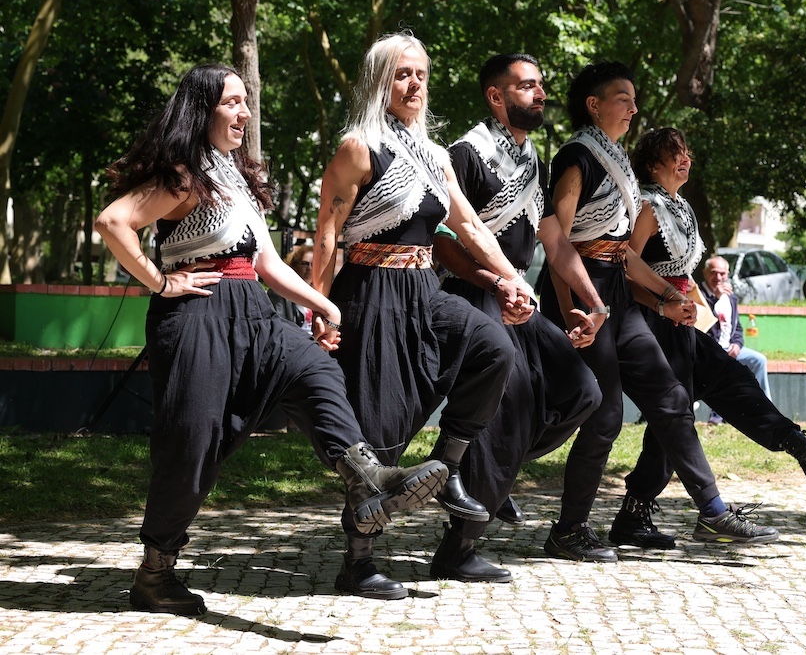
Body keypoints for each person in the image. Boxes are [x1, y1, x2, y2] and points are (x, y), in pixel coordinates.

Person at [94, 64, 448, 616]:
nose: (245, 113)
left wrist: (321, 303)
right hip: (196, 317)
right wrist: (161, 282)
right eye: (232, 103)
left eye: (245, 102)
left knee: (314, 367)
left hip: (253, 310)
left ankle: (367, 477)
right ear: (203, 110)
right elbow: (114, 222)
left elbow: (265, 261)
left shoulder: (234, 176)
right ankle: (155, 573)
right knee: (193, 446)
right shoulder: (184, 175)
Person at [314, 33, 533, 599]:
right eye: (402, 74)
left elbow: (469, 225)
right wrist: (321, 309)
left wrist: (512, 280)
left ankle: (447, 468)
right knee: (381, 425)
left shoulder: (435, 156)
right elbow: (328, 236)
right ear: (378, 82)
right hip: (371, 288)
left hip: (423, 289)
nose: (414, 84)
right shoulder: (358, 148)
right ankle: (358, 562)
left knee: (493, 348)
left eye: (421, 74)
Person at [537, 61, 779, 563]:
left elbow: (623, 253)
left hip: (615, 294)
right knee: (605, 414)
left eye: (633, 99)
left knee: (671, 397)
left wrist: (669, 296)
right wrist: (573, 309)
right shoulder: (577, 157)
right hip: (581, 292)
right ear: (594, 105)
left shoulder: (618, 161)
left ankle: (712, 511)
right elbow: (558, 243)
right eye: (622, 99)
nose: (633, 108)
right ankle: (568, 529)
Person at [620, 127, 806, 537]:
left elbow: (680, 273)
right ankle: (686, 511)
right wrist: (664, 301)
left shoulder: (680, 206)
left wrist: (694, 305)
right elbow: (626, 267)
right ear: (651, 164)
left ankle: (805, 448)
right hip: (651, 326)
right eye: (674, 153)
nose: (685, 160)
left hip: (681, 324)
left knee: (729, 382)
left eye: (686, 153)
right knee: (674, 418)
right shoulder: (648, 205)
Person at [431, 53, 605, 580]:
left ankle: (483, 469)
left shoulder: (533, 161)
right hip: (473, 295)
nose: (540, 94)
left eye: (540, 85)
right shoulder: (466, 154)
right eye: (527, 86)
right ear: (496, 96)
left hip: (517, 298)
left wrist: (593, 302)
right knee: (508, 412)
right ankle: (457, 551)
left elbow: (554, 239)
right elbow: (442, 241)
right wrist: (496, 282)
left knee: (582, 390)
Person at [700, 256, 771, 400]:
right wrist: (715, 298)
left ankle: (764, 405)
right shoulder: (698, 294)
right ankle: (718, 412)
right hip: (707, 350)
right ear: (705, 273)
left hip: (728, 349)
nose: (718, 277)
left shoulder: (730, 297)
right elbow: (701, 321)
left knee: (759, 360)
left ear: (728, 274)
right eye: (713, 273)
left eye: (722, 273)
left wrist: (737, 344)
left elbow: (737, 327)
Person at [268, 244, 314, 331]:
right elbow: (279, 326)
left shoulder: (320, 293)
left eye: (314, 264)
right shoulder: (280, 292)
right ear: (295, 266)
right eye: (305, 264)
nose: (310, 268)